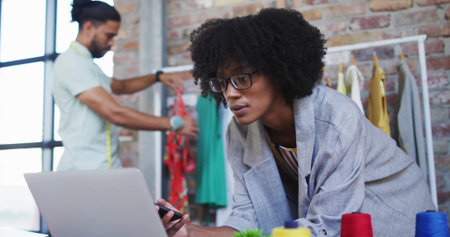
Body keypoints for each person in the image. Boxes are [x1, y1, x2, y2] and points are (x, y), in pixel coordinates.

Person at [156, 8, 436, 237]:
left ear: (278, 72)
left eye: (242, 79)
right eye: (222, 82)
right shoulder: (240, 132)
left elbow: (330, 225)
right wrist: (187, 232)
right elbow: (249, 221)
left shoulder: (336, 119)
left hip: (395, 214)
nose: (230, 93)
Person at [52, 0, 199, 170]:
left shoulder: (88, 66)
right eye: (109, 35)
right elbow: (115, 113)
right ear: (88, 27)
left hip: (105, 167)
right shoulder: (72, 63)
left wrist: (157, 77)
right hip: (82, 171)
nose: (111, 43)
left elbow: (120, 86)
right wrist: (173, 123)